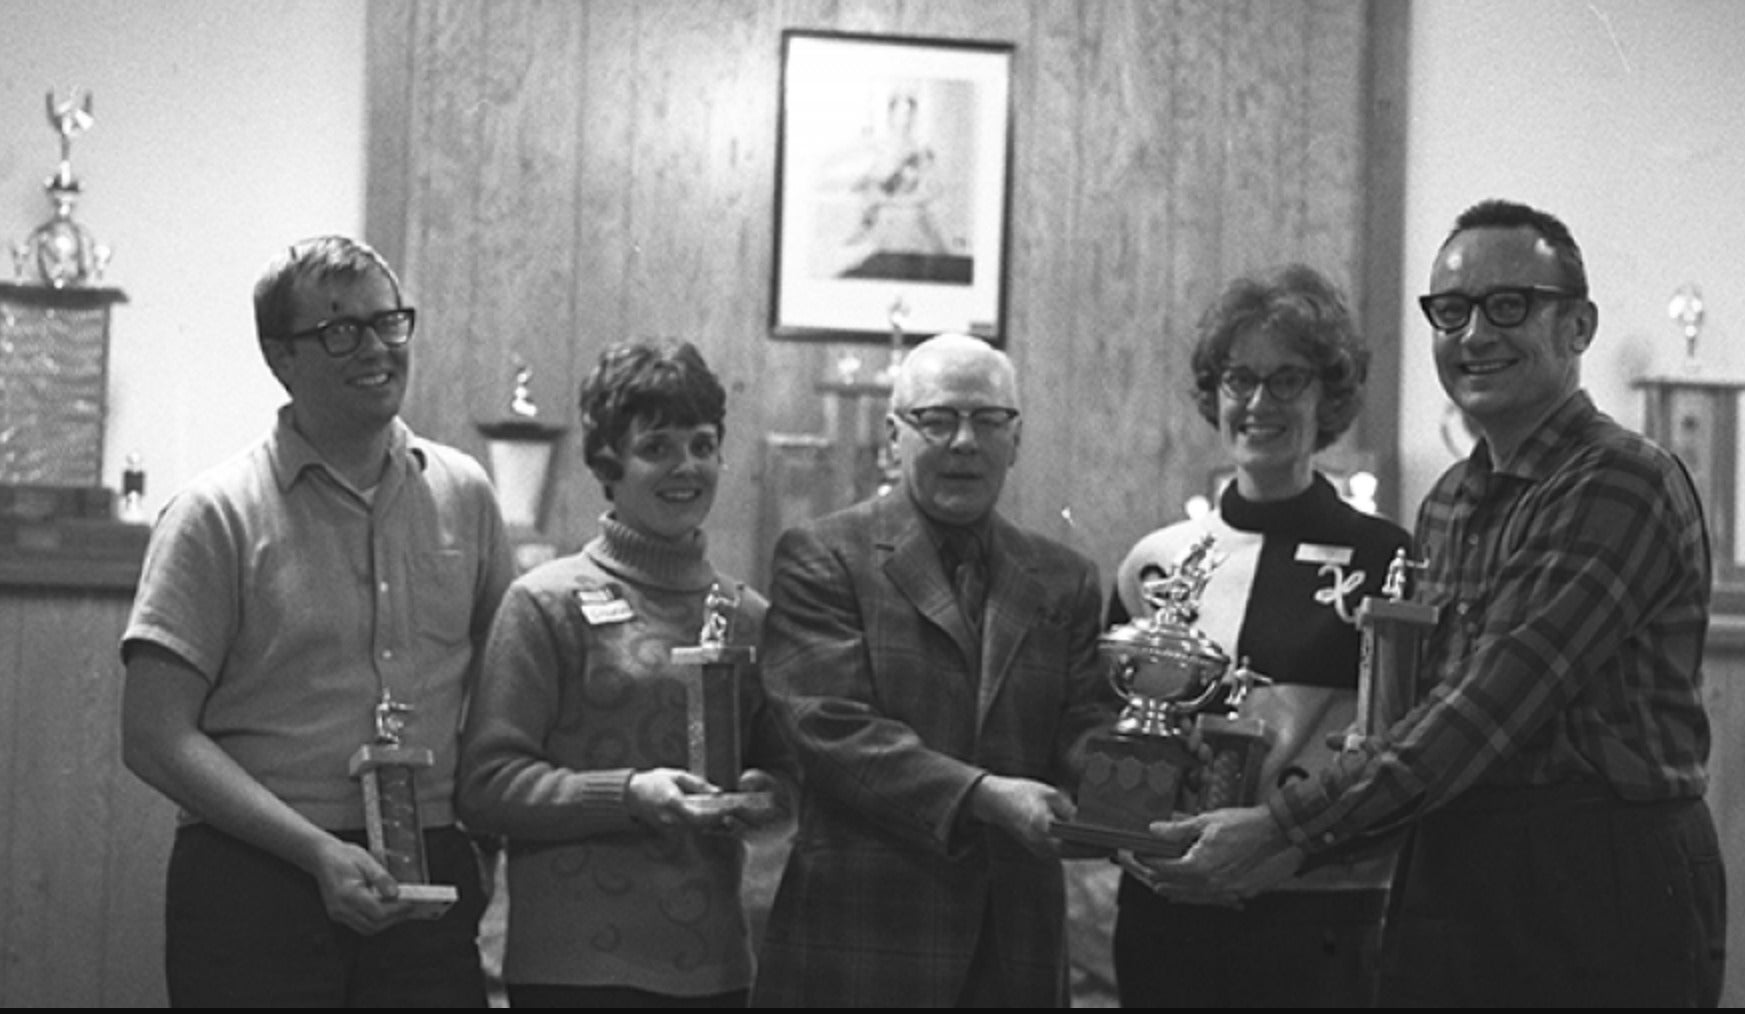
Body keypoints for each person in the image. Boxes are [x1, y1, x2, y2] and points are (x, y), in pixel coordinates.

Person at [1138, 199, 1727, 1006]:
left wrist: (1285, 830)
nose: (1476, 334)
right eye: (1451, 312)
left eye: (1509, 305)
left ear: (1579, 326)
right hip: (1456, 869)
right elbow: (1413, 716)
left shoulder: (1621, 481)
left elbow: (1480, 711)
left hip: (1597, 876)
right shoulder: (1449, 500)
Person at [119, 235, 513, 1006]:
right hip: (255, 872)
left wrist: (482, 840)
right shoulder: (214, 514)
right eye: (340, 330)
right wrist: (314, 853)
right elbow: (153, 736)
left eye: (388, 322)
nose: (374, 347)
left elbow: (507, 694)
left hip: (424, 874)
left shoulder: (465, 494)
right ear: (280, 357)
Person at [750, 333, 1114, 1007]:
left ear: (1017, 438)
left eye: (988, 419)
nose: (965, 441)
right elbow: (831, 731)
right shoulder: (822, 556)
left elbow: (1085, 722)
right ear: (894, 437)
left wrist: (1136, 787)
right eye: (937, 419)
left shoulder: (1066, 580)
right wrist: (982, 795)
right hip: (861, 944)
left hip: (1017, 951)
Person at [456, 340, 795, 1007]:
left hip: (715, 971)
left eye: (703, 445)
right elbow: (487, 789)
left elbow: (785, 780)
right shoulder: (543, 602)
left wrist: (764, 797)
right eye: (658, 447)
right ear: (608, 462)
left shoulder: (748, 615)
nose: (686, 467)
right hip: (574, 974)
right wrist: (631, 794)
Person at [1109, 267, 1411, 1007]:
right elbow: (1106, 724)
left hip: (1320, 915)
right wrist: (1131, 828)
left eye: (1287, 380)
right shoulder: (1154, 560)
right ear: (1214, 392)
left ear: (1328, 395)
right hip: (1167, 907)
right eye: (1239, 379)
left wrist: (1282, 844)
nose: (1258, 403)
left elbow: (1406, 752)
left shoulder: (1387, 560)